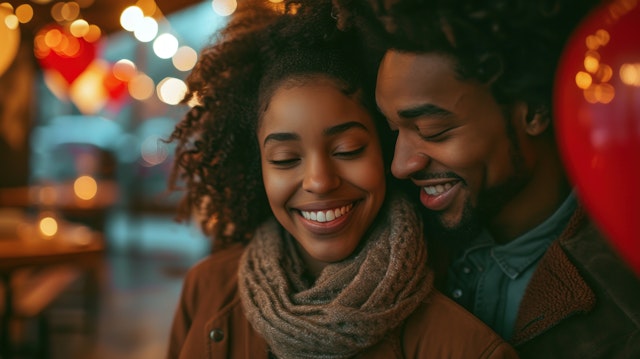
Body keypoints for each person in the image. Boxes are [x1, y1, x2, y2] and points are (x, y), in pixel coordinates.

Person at [165, 1, 518, 358]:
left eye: (347, 150)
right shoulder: (206, 290)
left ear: (386, 148)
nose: (319, 181)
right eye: (285, 159)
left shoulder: (465, 344)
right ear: (258, 166)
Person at [330, 0, 640, 357]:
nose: (400, 165)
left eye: (433, 131)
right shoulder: (390, 237)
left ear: (534, 110)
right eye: (393, 130)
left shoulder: (623, 310)